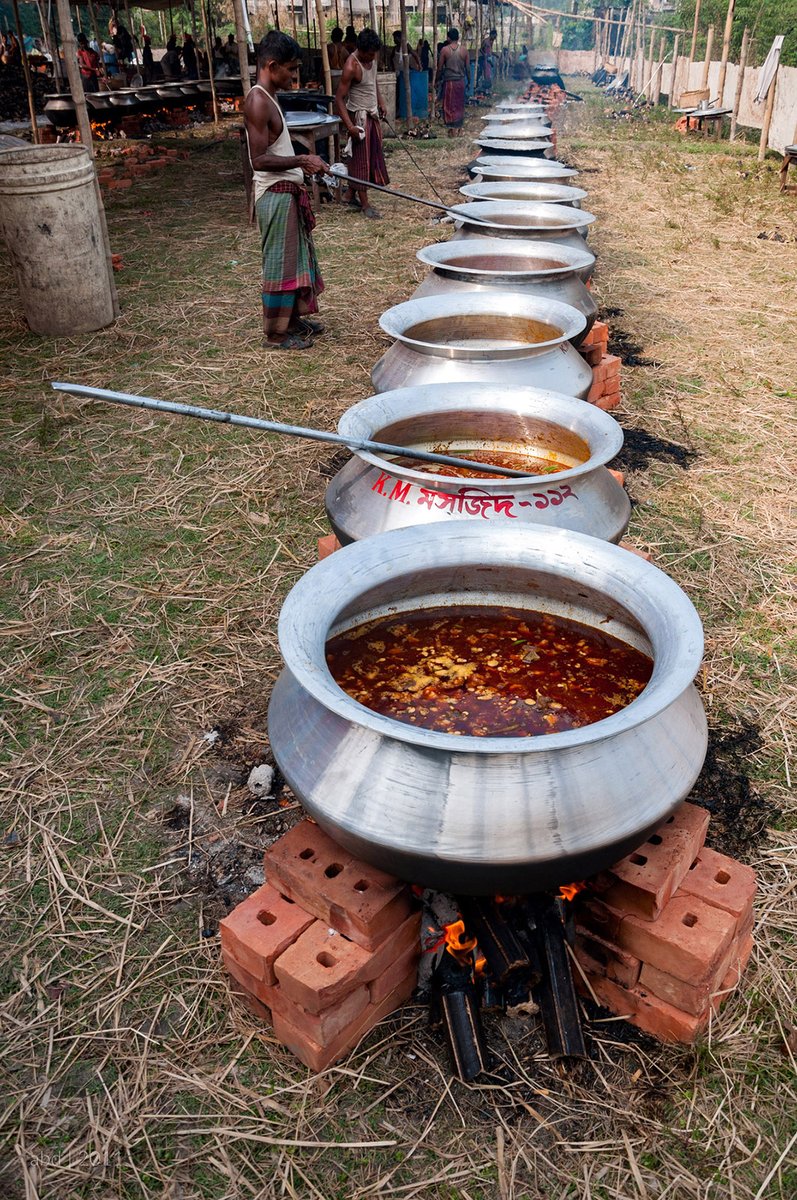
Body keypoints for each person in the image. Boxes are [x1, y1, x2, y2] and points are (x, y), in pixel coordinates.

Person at [244, 30, 325, 351]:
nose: (294, 76)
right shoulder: (257, 101)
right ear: (272, 65)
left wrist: (303, 164)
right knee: (280, 264)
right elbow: (258, 159)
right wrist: (302, 159)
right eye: (290, 69)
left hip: (286, 191)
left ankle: (291, 321)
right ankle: (275, 335)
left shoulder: (270, 96)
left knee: (295, 260)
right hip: (273, 194)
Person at [335, 29, 389, 219]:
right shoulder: (352, 65)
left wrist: (381, 102)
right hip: (358, 119)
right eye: (370, 53)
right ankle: (365, 205)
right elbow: (339, 99)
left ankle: (349, 194)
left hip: (372, 115)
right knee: (361, 161)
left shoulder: (371, 59)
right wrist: (350, 127)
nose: (373, 57)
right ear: (362, 50)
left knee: (371, 156)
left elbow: (373, 83)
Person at [437, 27, 468, 137]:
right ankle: (459, 128)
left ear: (448, 38)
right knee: (459, 104)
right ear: (458, 37)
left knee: (449, 106)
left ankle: (452, 130)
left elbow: (440, 68)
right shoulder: (464, 50)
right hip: (460, 81)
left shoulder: (444, 50)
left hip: (449, 82)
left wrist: (436, 79)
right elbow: (467, 68)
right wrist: (468, 82)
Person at [477, 27, 497, 93]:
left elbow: (490, 51)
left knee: (489, 75)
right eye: (494, 36)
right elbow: (481, 49)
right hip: (485, 60)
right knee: (485, 74)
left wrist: (495, 55)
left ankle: (488, 89)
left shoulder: (491, 41)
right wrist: (484, 55)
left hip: (489, 60)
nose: (495, 37)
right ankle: (484, 89)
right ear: (491, 35)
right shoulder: (485, 41)